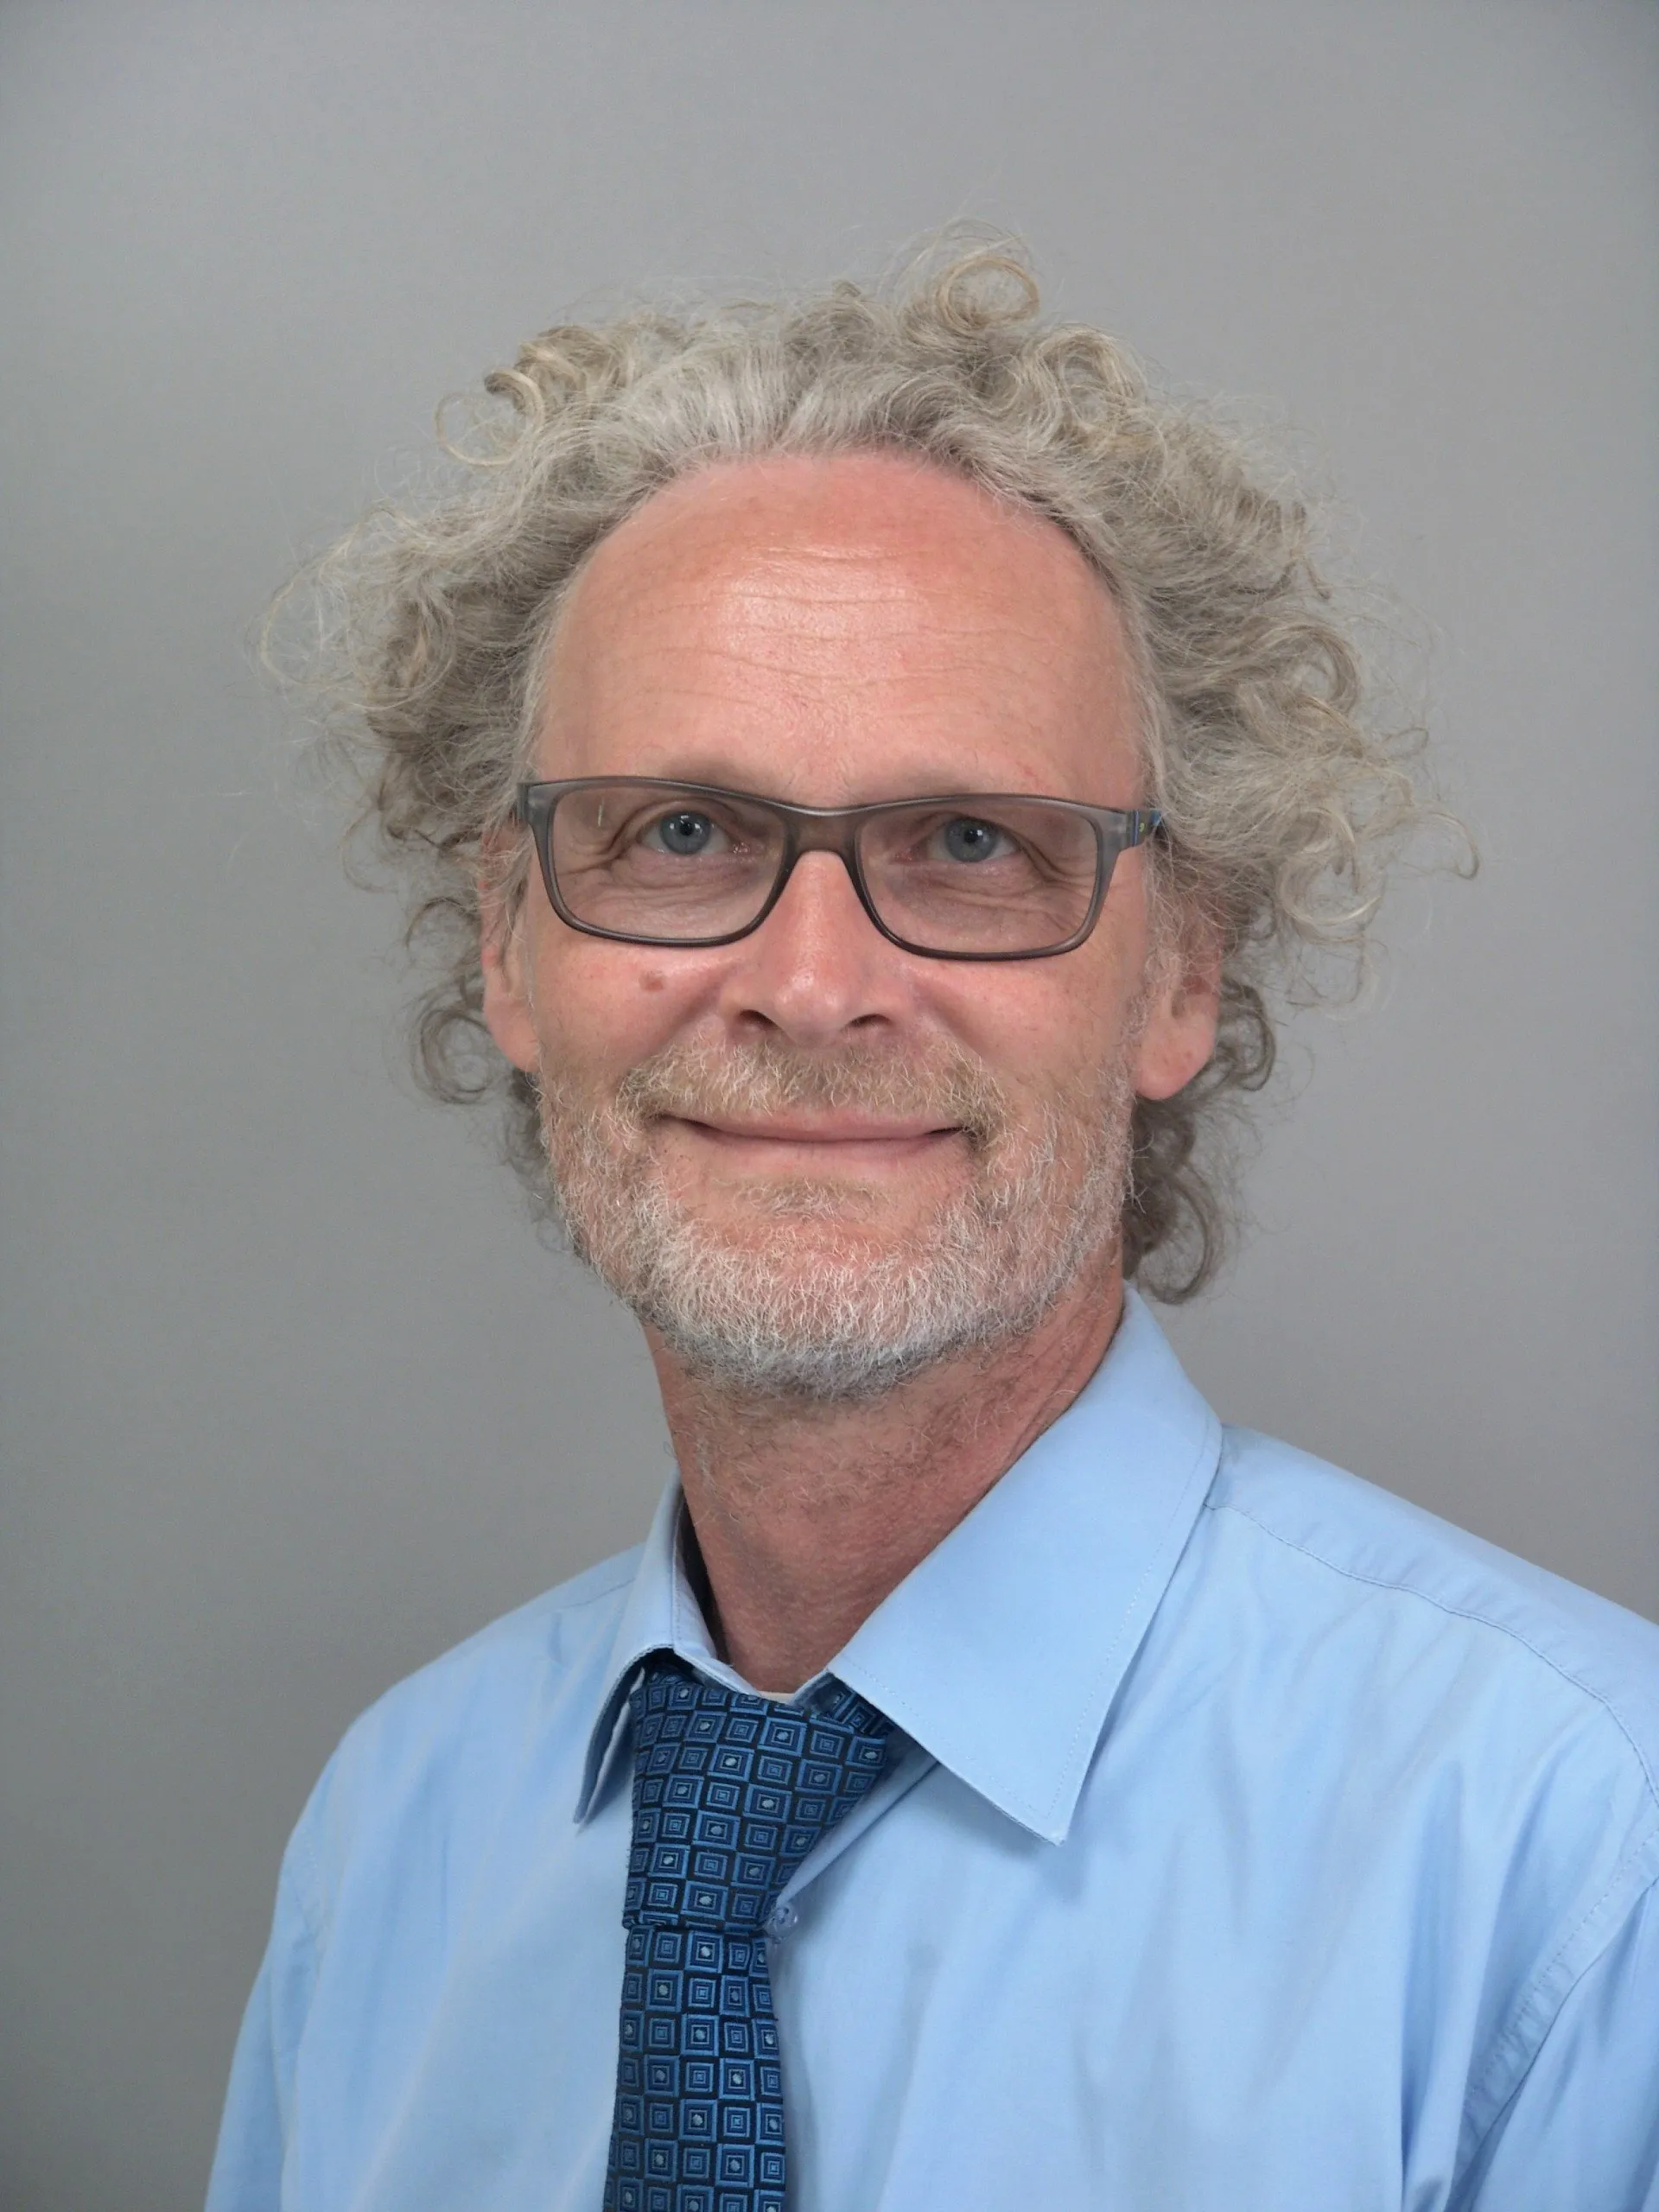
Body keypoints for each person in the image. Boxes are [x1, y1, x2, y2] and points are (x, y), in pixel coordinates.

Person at [207, 246, 1659, 2212]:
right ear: (509, 947)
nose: (814, 987)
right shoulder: (398, 1834)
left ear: (1180, 971)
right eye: (682, 833)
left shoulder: (1582, 1862)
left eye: (971, 845)